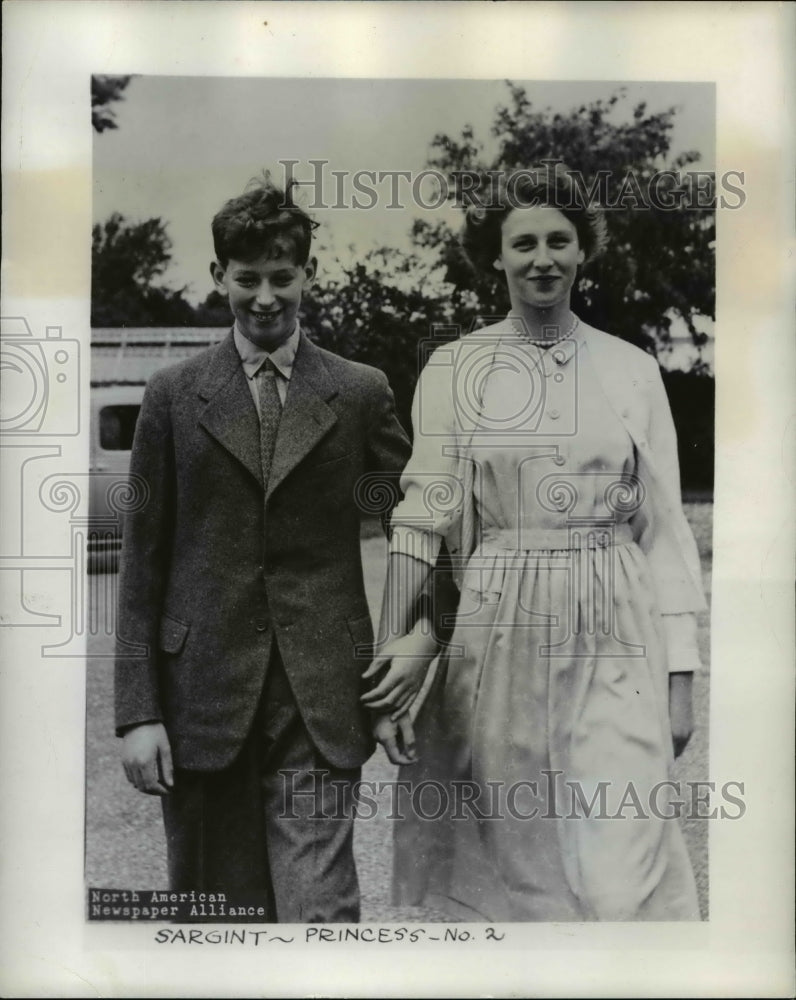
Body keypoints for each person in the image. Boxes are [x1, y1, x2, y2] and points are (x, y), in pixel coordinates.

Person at [364, 163, 707, 921]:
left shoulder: (632, 369)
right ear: (497, 256)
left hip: (616, 622)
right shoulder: (456, 369)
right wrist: (396, 645)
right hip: (500, 623)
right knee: (520, 868)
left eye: (559, 239)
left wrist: (681, 676)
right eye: (524, 243)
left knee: (624, 862)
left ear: (585, 250)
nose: (542, 257)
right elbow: (424, 513)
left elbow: (662, 529)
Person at [115, 175, 411, 922]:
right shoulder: (173, 396)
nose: (267, 297)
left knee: (320, 913)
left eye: (284, 277)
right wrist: (138, 712)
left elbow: (418, 532)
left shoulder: (360, 391)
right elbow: (142, 561)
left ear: (310, 274)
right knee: (219, 917)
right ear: (219, 277)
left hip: (322, 697)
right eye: (247, 280)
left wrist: (407, 661)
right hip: (199, 702)